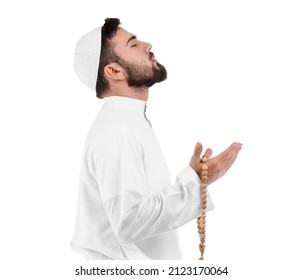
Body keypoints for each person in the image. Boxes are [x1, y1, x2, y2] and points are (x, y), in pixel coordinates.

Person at [70, 18, 242, 260]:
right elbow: (129, 223)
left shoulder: (128, 122)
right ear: (114, 71)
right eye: (133, 45)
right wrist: (196, 182)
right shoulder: (117, 132)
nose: (147, 45)